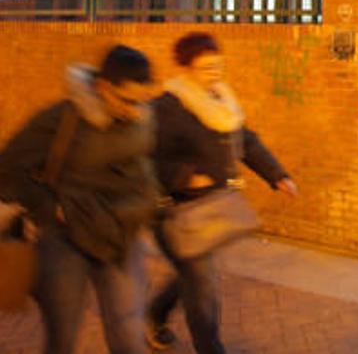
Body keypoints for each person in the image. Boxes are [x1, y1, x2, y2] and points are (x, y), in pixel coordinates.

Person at [0, 45, 160, 354]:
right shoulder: (61, 120)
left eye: (142, 102)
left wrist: (150, 201)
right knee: (63, 339)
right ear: (102, 87)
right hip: (65, 243)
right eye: (126, 100)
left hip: (121, 238)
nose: (134, 111)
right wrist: (50, 207)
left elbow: (146, 166)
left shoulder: (142, 117)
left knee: (129, 337)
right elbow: (7, 169)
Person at [147, 32, 298, 354]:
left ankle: (155, 314)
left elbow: (247, 141)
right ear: (187, 69)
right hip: (172, 210)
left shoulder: (221, 101)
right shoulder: (167, 107)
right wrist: (187, 177)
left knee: (192, 276)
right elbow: (143, 156)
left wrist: (277, 175)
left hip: (209, 208)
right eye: (206, 68)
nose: (215, 74)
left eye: (218, 66)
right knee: (201, 285)